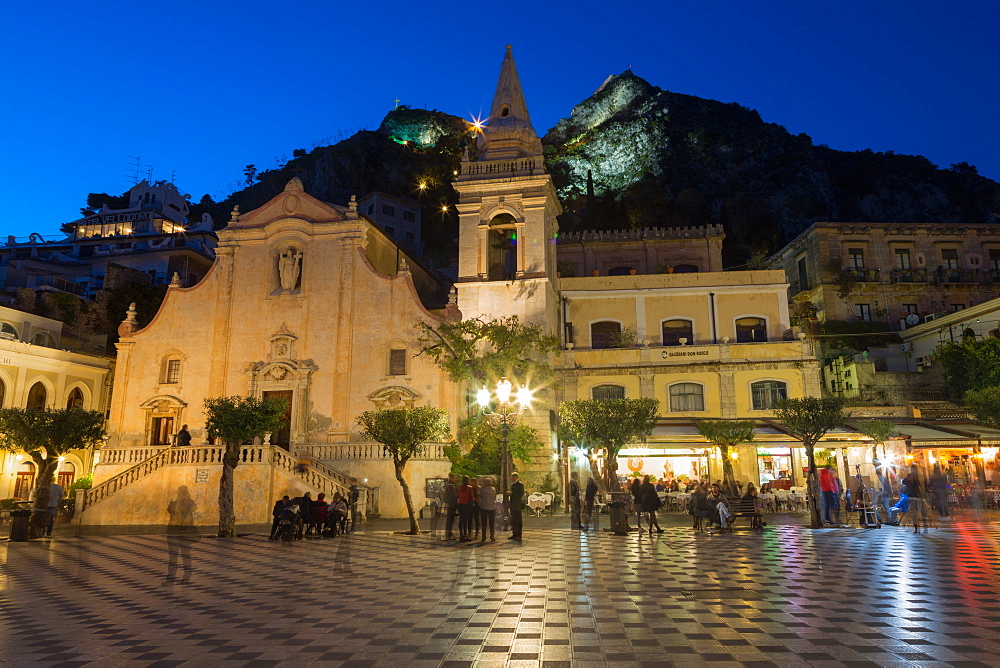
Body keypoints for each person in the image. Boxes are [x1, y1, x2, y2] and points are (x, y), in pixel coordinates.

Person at [165, 485, 198, 584]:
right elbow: (194, 508)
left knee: (173, 556)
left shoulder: (174, 504)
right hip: (185, 533)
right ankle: (186, 577)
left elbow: (169, 509)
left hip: (174, 532)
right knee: (186, 555)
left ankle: (171, 579)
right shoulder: (189, 503)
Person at [478, 476, 497, 542]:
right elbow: (494, 497)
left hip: (484, 507)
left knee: (484, 523)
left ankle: (484, 537)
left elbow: (480, 496)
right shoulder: (493, 489)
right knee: (492, 523)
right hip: (492, 507)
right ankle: (492, 536)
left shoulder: (482, 489)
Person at [457, 476, 474, 541]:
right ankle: (466, 534)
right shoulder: (469, 488)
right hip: (467, 504)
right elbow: (471, 497)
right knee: (466, 520)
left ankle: (461, 534)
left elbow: (458, 496)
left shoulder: (459, 488)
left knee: (461, 519)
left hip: (460, 504)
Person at [509, 473, 524, 541]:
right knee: (513, 520)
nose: (510, 478)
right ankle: (514, 533)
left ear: (515, 477)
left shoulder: (520, 484)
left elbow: (520, 494)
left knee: (518, 520)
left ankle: (519, 535)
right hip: (513, 504)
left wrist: (512, 493)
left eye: (511, 477)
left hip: (517, 505)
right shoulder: (513, 484)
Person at [444, 474, 458, 540]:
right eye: (455, 478)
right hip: (452, 505)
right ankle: (449, 534)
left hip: (450, 504)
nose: (456, 480)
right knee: (450, 520)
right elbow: (454, 496)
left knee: (449, 520)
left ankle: (449, 534)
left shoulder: (448, 486)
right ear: (451, 478)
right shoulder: (451, 486)